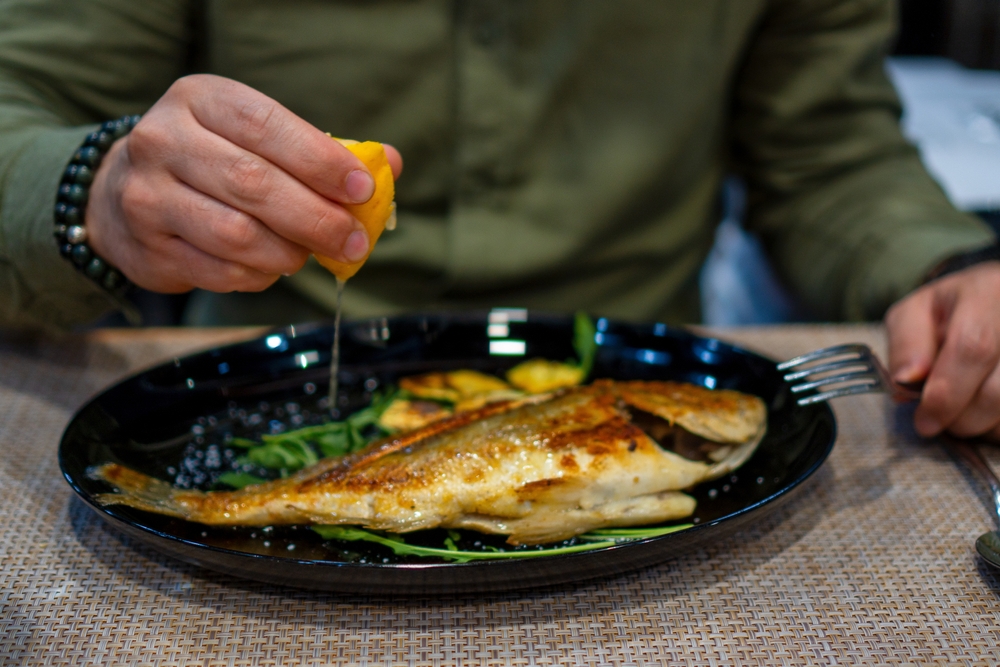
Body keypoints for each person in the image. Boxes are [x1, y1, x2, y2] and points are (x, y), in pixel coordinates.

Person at [0, 1, 997, 440]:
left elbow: (823, 150)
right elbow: (21, 101)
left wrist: (947, 267)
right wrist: (92, 185)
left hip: (639, 412)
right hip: (261, 392)